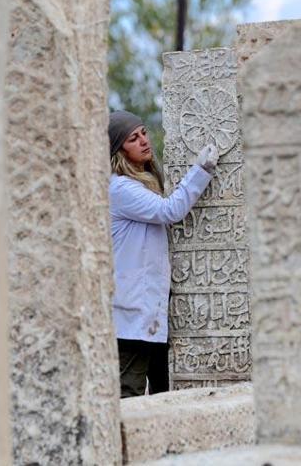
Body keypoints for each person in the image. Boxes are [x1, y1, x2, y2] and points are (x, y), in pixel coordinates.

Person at [107, 110, 218, 398]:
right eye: (133, 138)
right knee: (129, 392)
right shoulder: (119, 188)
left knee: (162, 392)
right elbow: (170, 211)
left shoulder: (140, 183)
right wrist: (201, 169)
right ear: (118, 151)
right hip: (132, 316)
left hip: (151, 311)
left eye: (144, 132)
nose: (144, 140)